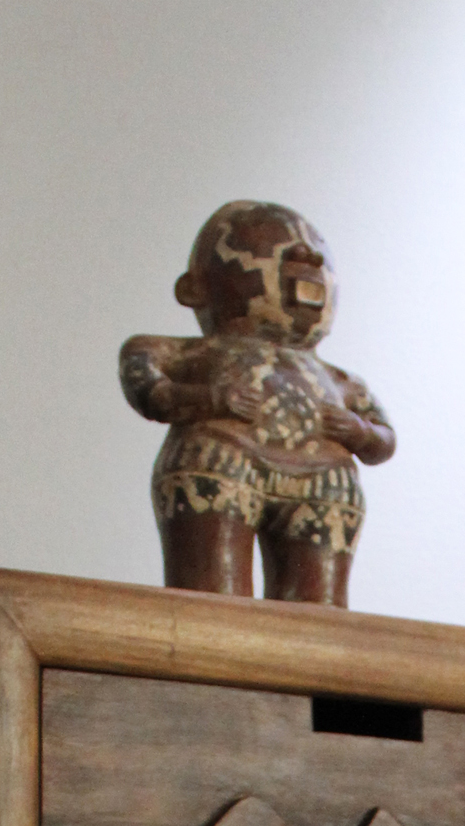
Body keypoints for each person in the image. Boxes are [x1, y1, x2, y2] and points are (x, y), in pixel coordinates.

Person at [119, 201, 395, 605]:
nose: (308, 253)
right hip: (221, 462)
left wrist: (360, 431)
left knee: (319, 620)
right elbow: (150, 391)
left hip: (327, 482)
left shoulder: (343, 381)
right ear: (194, 289)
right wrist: (211, 399)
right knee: (212, 607)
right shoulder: (173, 352)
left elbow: (384, 441)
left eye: (315, 250)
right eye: (270, 242)